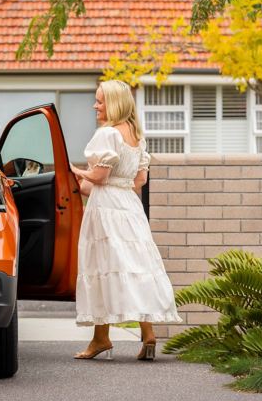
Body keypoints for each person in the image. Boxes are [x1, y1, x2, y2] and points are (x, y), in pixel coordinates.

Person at [70, 80, 182, 361]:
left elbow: (99, 178)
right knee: (136, 266)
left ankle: (101, 338)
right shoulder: (137, 136)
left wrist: (72, 170)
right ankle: (147, 333)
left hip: (106, 209)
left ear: (115, 103)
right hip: (130, 208)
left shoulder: (107, 134)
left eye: (100, 101)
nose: (95, 106)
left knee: (103, 267)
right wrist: (84, 183)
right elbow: (138, 181)